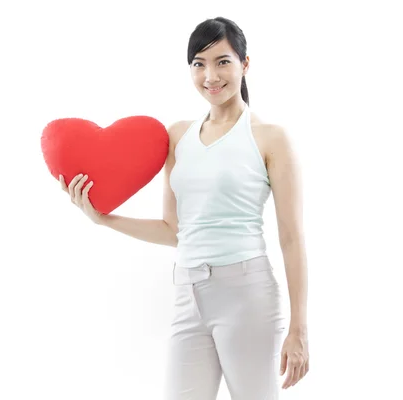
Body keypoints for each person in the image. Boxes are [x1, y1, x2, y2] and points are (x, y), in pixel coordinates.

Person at [59, 16, 309, 400]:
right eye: (198, 63)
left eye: (222, 61)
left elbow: (291, 239)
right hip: (187, 293)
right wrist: (102, 219)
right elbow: (173, 230)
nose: (210, 75)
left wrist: (299, 328)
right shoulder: (177, 136)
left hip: (247, 294)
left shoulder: (270, 138)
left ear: (245, 64)